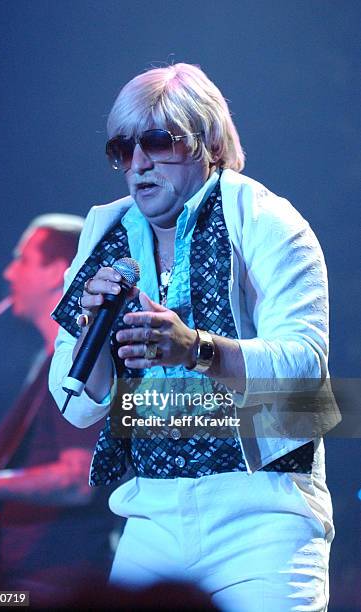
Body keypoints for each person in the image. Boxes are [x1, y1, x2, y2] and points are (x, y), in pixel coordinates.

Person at [48, 64, 340, 611]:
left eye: (158, 142)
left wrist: (196, 349)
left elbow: (305, 374)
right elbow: (75, 407)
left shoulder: (269, 222)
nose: (138, 164)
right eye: (122, 149)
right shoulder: (103, 233)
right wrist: (94, 332)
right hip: (149, 514)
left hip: (262, 515)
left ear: (207, 143)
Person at [0, 214, 121, 600]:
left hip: (57, 584)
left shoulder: (80, 369)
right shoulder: (45, 369)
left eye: (23, 259)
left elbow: (78, 478)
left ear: (56, 273)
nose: (10, 272)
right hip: (26, 576)